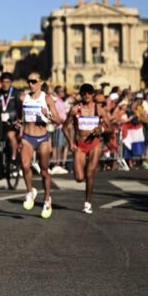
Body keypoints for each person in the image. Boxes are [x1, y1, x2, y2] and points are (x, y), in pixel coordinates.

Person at [19, 73, 62, 218]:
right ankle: (30, 191)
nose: (31, 84)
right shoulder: (24, 98)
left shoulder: (47, 98)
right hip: (27, 137)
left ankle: (47, 199)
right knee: (25, 165)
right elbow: (22, 117)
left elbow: (58, 120)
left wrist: (47, 114)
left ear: (41, 82)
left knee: (44, 171)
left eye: (34, 81)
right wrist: (19, 122)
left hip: (42, 138)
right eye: (29, 81)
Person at [63, 83, 110, 214]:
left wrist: (101, 129)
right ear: (81, 94)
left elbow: (110, 127)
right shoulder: (75, 109)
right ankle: (82, 165)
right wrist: (70, 143)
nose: (87, 95)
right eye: (84, 93)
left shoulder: (99, 109)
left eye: (89, 93)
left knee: (90, 174)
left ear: (93, 94)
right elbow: (64, 127)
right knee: (79, 178)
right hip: (80, 145)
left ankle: (88, 203)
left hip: (95, 143)